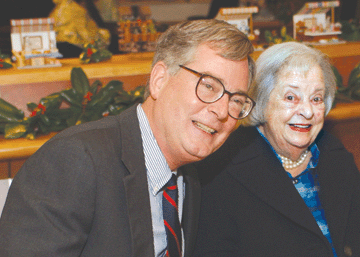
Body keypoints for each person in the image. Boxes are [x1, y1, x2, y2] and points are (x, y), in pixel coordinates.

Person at [0, 19, 255, 257]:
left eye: (236, 100)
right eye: (209, 85)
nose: (222, 112)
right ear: (159, 80)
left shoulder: (191, 176)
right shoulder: (75, 161)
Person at [194, 42, 360, 257]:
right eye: (291, 97)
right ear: (262, 101)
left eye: (316, 98)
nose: (307, 111)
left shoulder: (336, 157)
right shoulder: (222, 170)